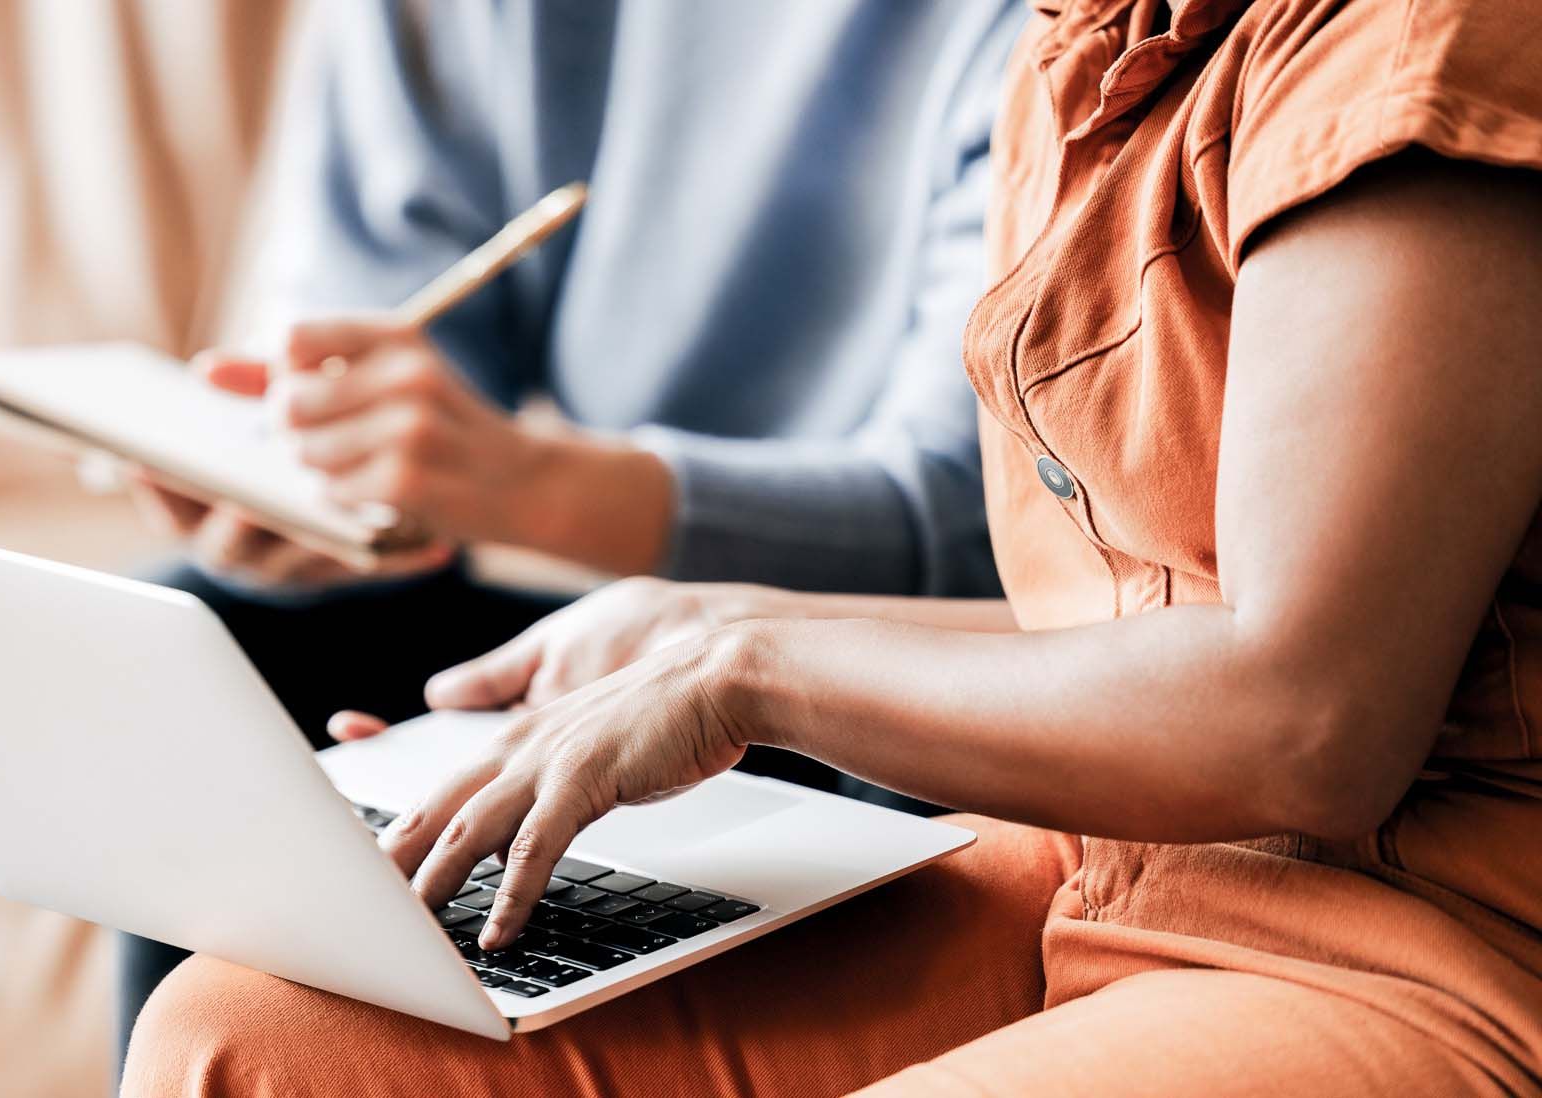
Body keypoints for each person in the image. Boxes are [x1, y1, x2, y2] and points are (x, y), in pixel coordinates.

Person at [118, 0, 1542, 1094]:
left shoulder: (1417, 50)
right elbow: (1124, 612)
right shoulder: (1090, 46)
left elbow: (1309, 718)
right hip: (1090, 858)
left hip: (1408, 935)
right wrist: (695, 627)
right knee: (245, 1036)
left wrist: (757, 667)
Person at [112, 0, 1028, 1059]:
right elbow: (383, 341)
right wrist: (322, 486)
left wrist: (524, 487)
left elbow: (976, 521)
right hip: (627, 616)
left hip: (897, 665)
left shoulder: (1040, 30)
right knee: (217, 646)